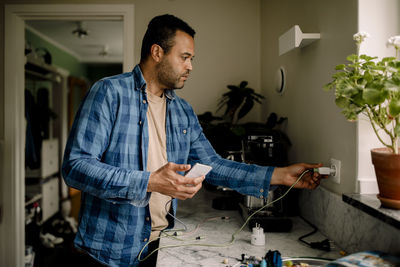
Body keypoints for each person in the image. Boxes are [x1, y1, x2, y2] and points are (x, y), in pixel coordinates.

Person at [62, 14, 323, 267]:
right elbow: (75, 166)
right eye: (184, 57)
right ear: (157, 53)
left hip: (162, 245)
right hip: (110, 250)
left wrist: (280, 175)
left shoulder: (182, 110)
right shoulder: (109, 92)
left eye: (191, 59)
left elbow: (213, 165)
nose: (190, 66)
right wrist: (150, 181)